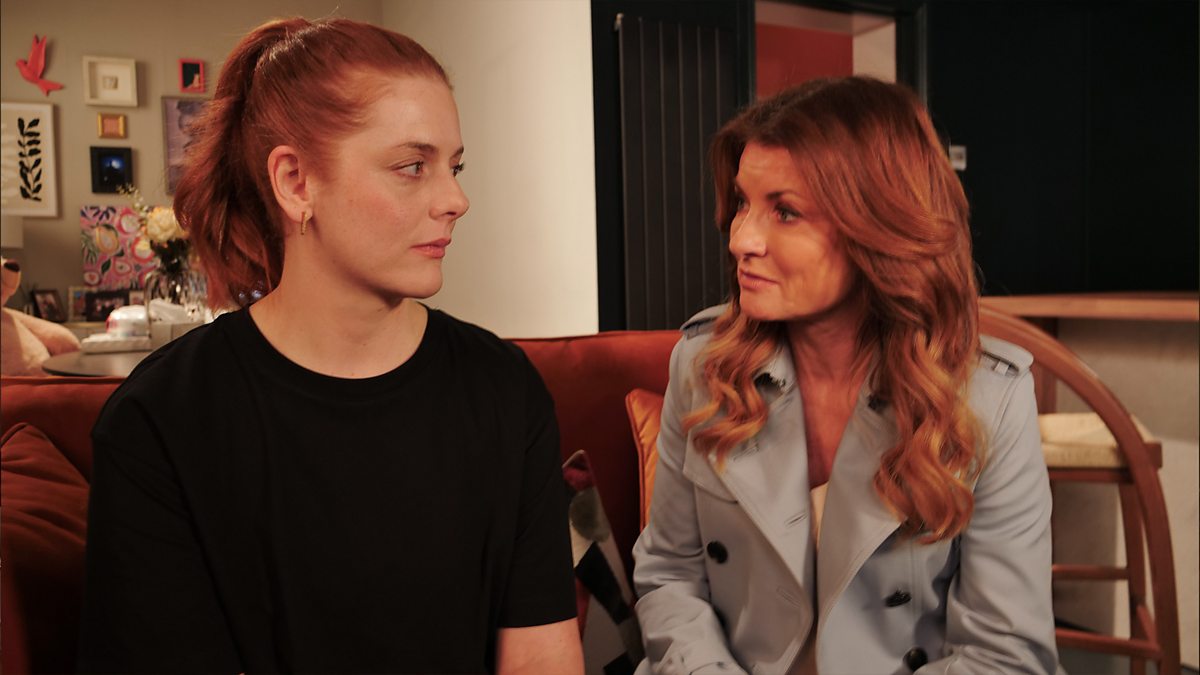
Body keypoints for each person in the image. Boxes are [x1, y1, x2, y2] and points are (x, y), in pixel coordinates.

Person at [79, 17, 583, 674]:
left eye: (454, 167)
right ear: (295, 182)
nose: (456, 199)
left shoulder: (503, 388)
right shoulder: (160, 420)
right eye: (412, 167)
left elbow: (542, 655)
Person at [632, 77, 1057, 675]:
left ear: (880, 227)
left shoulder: (990, 401)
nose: (740, 239)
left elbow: (1003, 657)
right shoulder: (702, 367)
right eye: (743, 203)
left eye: (785, 211)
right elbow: (671, 576)